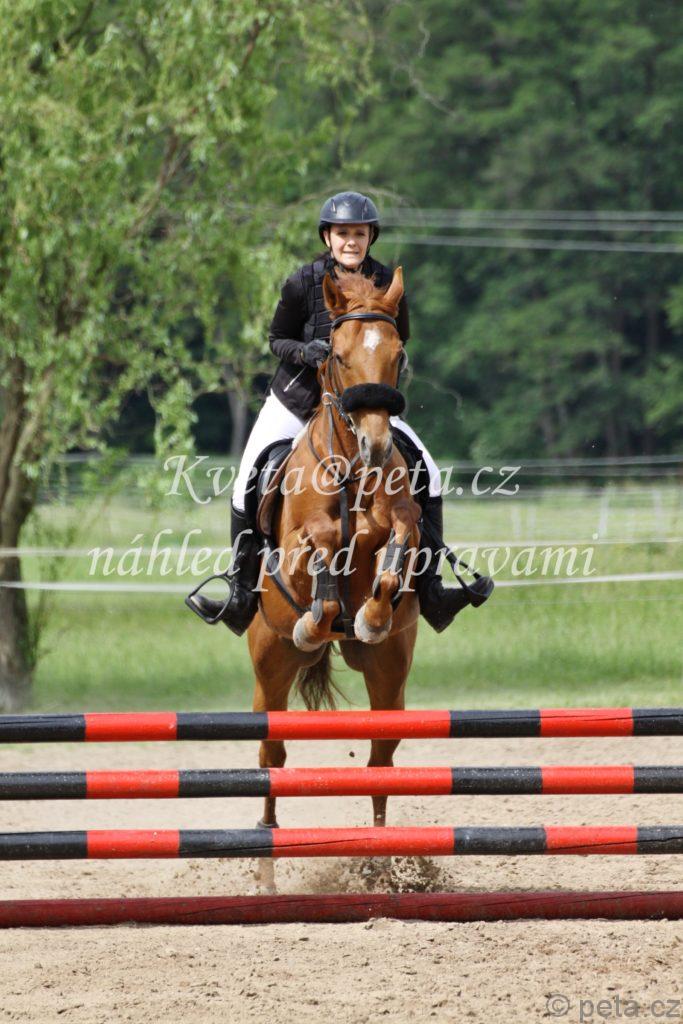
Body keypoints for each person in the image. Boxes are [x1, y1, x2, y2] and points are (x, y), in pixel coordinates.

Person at [188, 191, 486, 635]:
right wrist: (305, 351)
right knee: (246, 480)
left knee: (431, 474)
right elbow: (276, 339)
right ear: (327, 237)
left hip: (365, 401)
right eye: (343, 233)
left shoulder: (385, 282)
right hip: (298, 398)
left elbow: (397, 340)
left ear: (370, 238)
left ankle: (433, 589)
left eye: (359, 234)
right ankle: (241, 592)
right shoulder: (302, 282)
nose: (351, 241)